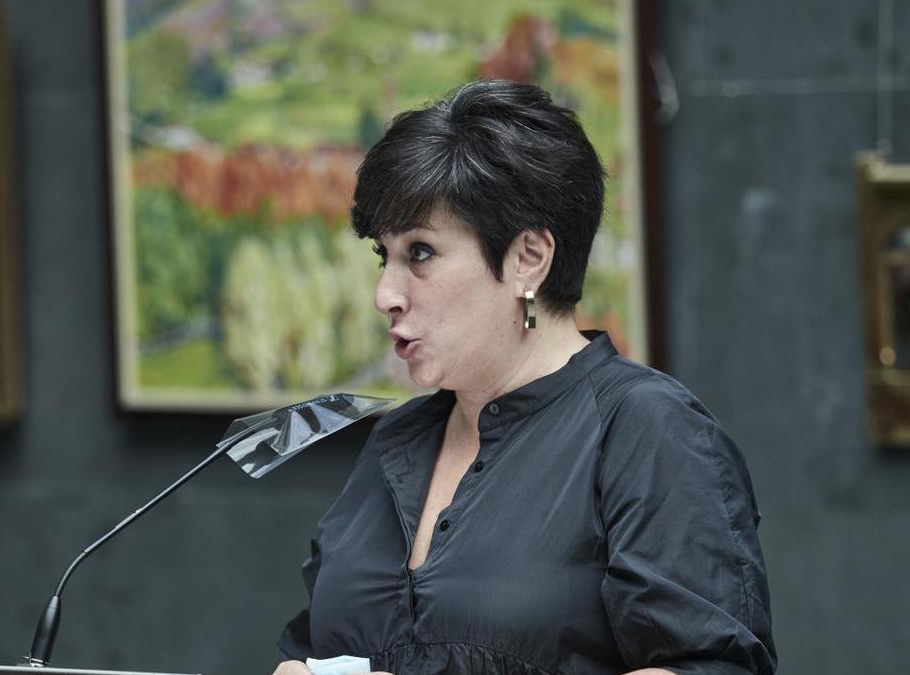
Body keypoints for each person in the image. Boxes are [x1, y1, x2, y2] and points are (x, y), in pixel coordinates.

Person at [271, 80, 777, 675]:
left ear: (528, 259)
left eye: (422, 253)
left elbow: (713, 667)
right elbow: (317, 644)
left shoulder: (646, 430)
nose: (386, 294)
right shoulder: (396, 441)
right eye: (385, 257)